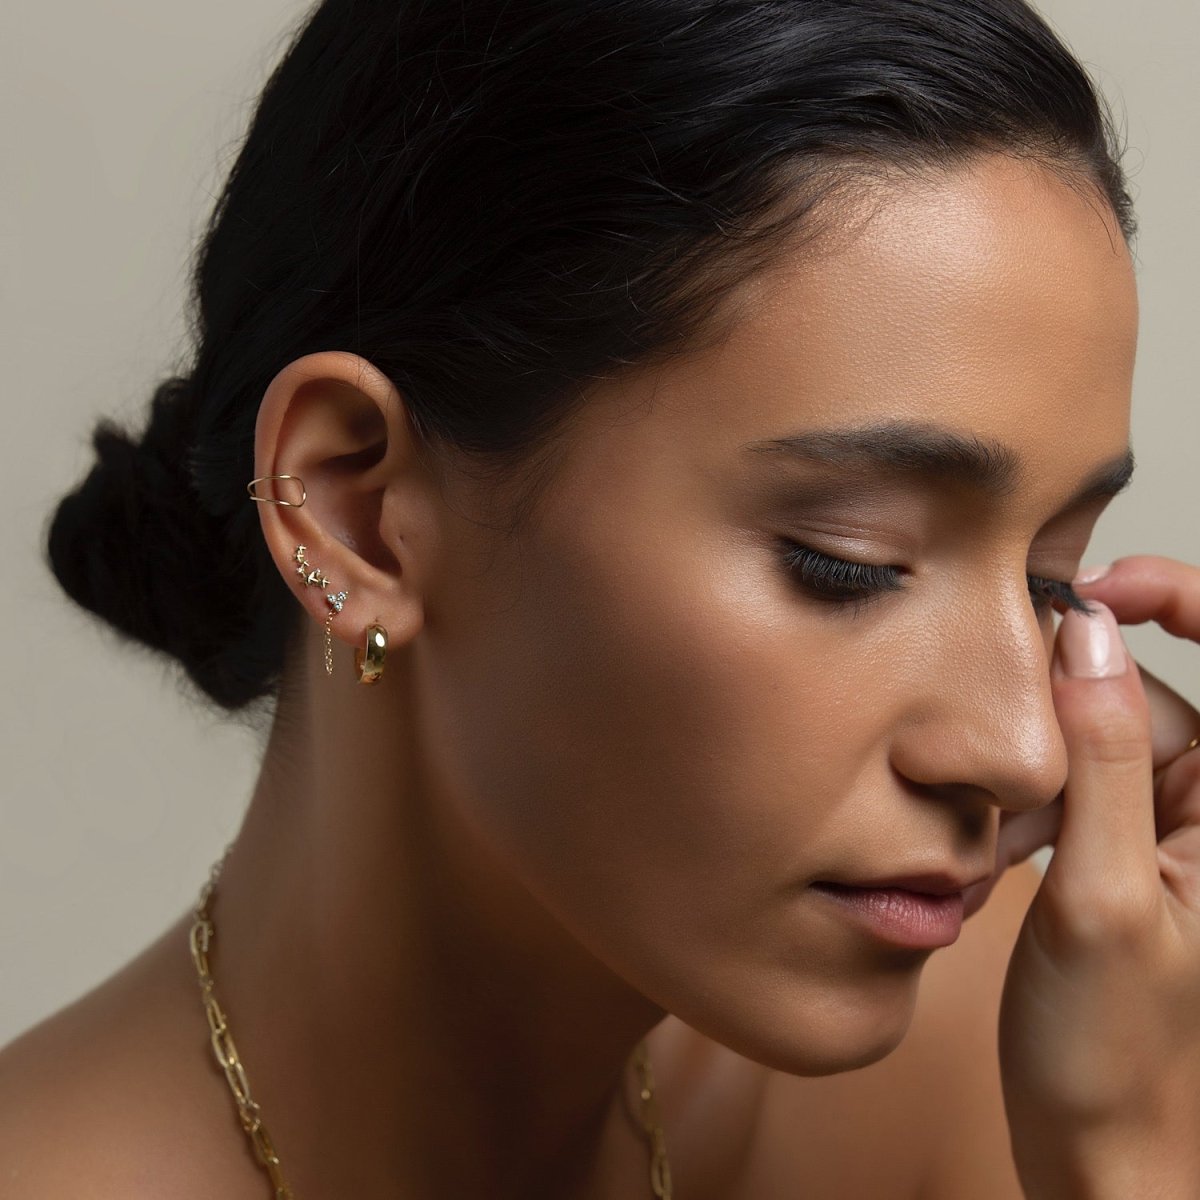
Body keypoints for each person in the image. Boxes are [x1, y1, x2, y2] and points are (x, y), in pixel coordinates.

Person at [2, 0, 1198, 1195]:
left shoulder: (1034, 1035)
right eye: (848, 560)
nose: (1027, 752)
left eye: (1050, 578)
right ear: (357, 515)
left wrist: (1123, 1142)